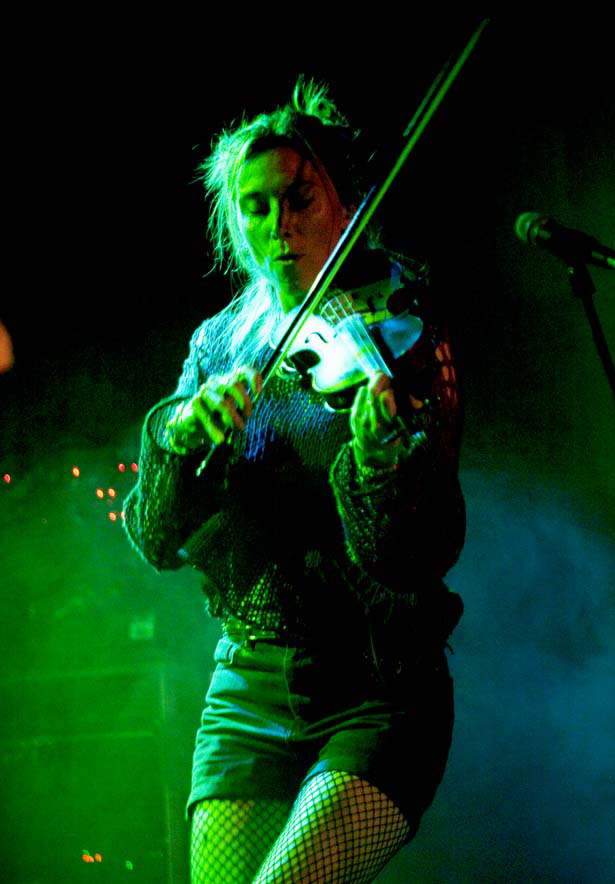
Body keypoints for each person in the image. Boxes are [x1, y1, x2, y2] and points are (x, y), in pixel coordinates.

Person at [124, 78, 466, 884]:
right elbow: (159, 541)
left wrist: (379, 463)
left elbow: (417, 555)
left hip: (380, 683)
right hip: (249, 682)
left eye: (300, 200)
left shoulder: (401, 326)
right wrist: (177, 436)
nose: (278, 226)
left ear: (346, 205)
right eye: (256, 207)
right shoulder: (219, 343)